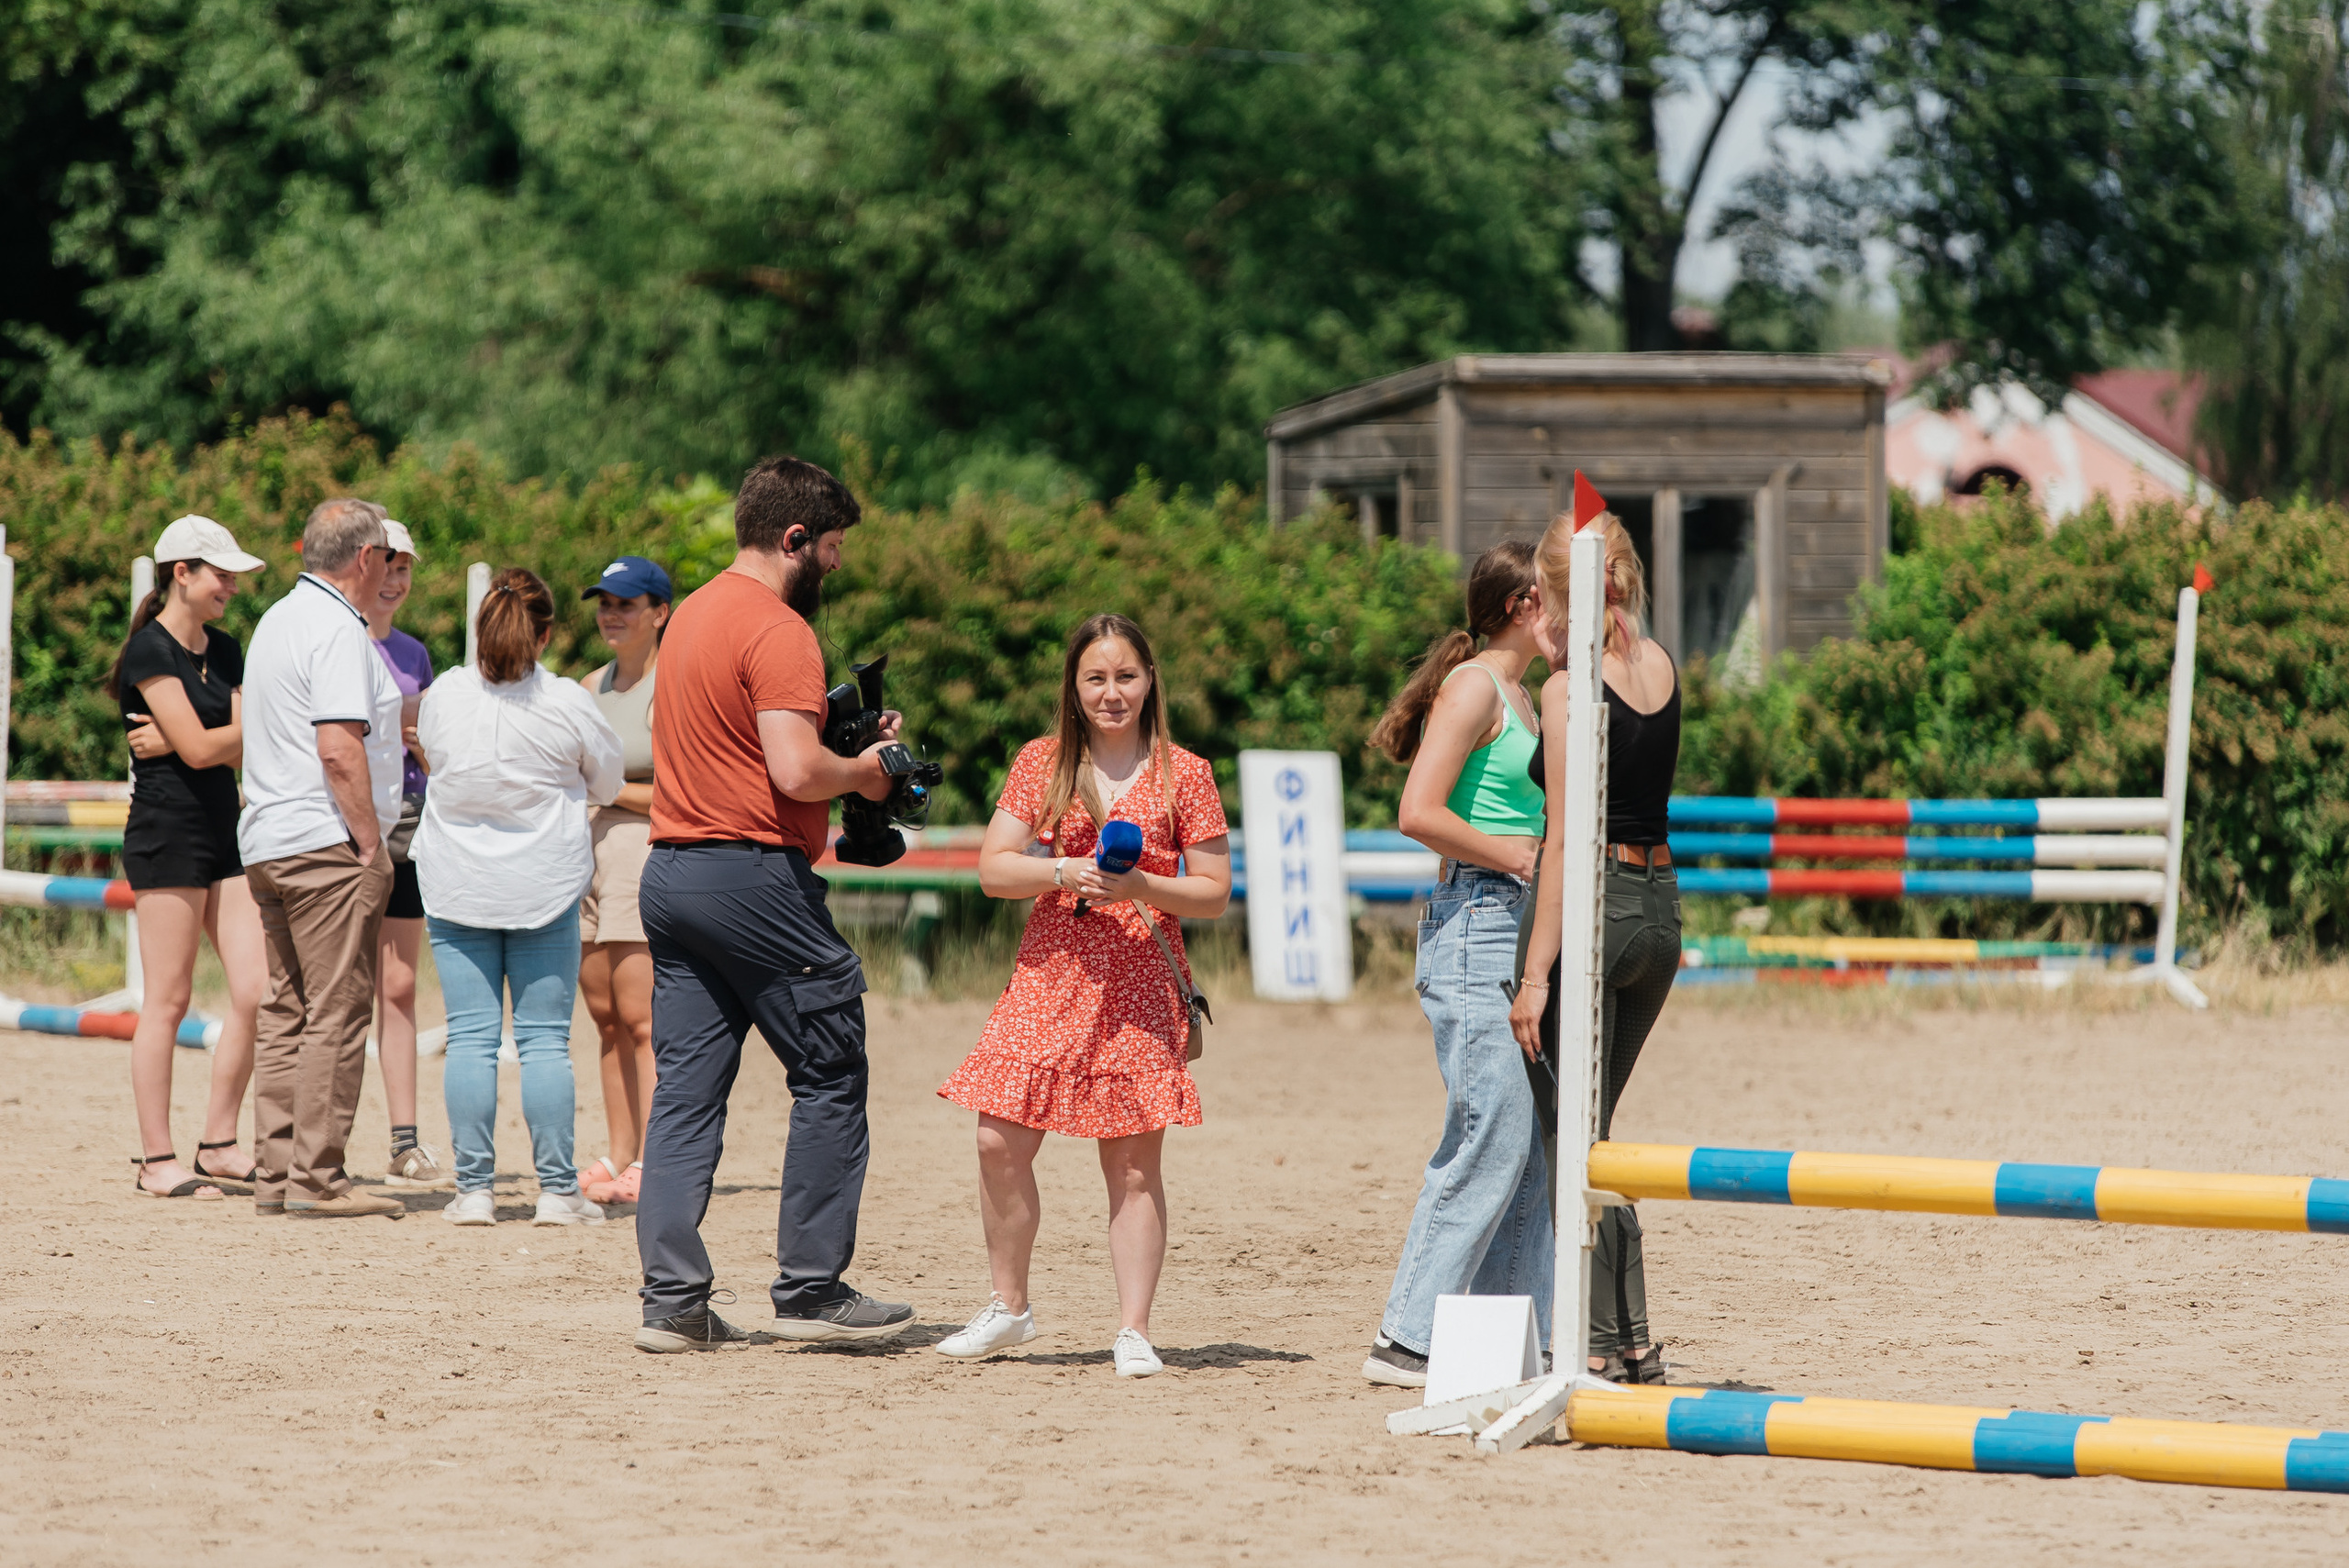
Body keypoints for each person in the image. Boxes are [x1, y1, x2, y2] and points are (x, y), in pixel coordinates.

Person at [632, 455, 915, 1354]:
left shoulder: (690, 618)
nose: (835, 564)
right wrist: (868, 770)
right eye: (829, 548)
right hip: (751, 875)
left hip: (671, 873)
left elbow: (737, 743)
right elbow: (794, 771)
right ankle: (811, 1286)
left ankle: (672, 1301)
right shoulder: (781, 628)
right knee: (831, 1063)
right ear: (794, 539)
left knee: (685, 1095)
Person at [934, 614, 1232, 1379]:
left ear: (1150, 681)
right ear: (1073, 685)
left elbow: (1213, 893)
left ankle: (1133, 1328)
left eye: (1126, 676)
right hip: (1048, 976)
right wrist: (1064, 871)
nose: (1111, 692)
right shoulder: (1042, 762)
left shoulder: (1186, 772)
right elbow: (995, 869)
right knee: (998, 1138)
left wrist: (1142, 885)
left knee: (1132, 1165)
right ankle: (1010, 1308)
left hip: (1139, 982)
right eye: (1096, 678)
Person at [1359, 541, 1557, 1388]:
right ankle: (1405, 1334)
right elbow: (1418, 809)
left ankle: (1515, 1337)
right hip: (1477, 918)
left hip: (1510, 924)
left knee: (1529, 1145)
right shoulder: (1477, 685)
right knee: (1491, 1130)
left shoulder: (1528, 695)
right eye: (1557, 602)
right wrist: (1518, 857)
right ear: (1521, 605)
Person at [1511, 506, 1682, 1385]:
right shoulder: (1657, 664)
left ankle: (1611, 1341)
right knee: (1599, 1131)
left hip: (1603, 905)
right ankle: (1630, 1339)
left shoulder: (1567, 688)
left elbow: (1564, 841)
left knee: (1578, 1137)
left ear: (1549, 593)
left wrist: (1536, 973)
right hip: (1661, 912)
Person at [411, 567, 623, 1226]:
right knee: (543, 1044)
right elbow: (609, 782)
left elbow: (434, 759)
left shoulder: (446, 694)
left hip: (456, 883)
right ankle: (558, 1191)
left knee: (471, 1038)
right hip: (543, 885)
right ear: (547, 633)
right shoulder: (564, 701)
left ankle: (473, 1189)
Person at [239, 497, 405, 1219]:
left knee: (286, 1009)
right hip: (321, 841)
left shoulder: (275, 619)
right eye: (386, 560)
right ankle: (318, 1177)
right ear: (364, 558)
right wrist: (370, 843)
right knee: (336, 1011)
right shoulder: (340, 630)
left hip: (269, 837)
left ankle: (277, 1170)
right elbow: (339, 748)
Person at [113, 516, 272, 1199]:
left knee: (256, 991)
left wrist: (207, 736)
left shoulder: (228, 647)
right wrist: (223, 735)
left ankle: (219, 1142)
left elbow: (227, 741)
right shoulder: (147, 651)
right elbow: (211, 748)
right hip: (167, 832)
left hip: (226, 830)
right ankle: (156, 1160)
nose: (232, 586)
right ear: (183, 572)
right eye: (221, 574)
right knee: (169, 999)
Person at [573, 555, 673, 1207]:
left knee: (643, 1019)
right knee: (605, 1017)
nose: (612, 613)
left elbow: (678, 787)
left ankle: (660, 1161)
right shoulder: (587, 685)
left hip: (640, 849)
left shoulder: (674, 684)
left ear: (660, 611)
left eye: (626, 602)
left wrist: (609, 790)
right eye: (605, 602)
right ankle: (620, 1151)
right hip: (586, 849)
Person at [364, 517, 445, 1188]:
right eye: (387, 564)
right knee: (330, 989)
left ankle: (403, 1140)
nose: (396, 579)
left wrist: (425, 744)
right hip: (348, 826)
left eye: (406, 568)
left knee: (398, 985)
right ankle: (311, 1137)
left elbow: (429, 746)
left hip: (408, 826)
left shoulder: (416, 654)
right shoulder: (336, 642)